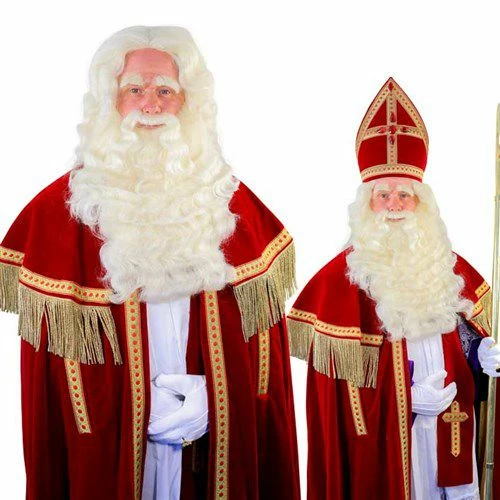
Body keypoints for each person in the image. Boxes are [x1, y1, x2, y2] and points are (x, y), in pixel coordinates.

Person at [0, 26, 300, 500]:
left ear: (189, 103)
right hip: (108, 447)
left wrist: (216, 401)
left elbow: (261, 358)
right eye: (134, 90)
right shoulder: (56, 214)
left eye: (165, 91)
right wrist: (134, 404)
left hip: (207, 439)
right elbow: (51, 380)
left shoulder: (230, 203)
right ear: (110, 101)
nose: (150, 106)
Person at [288, 77, 500, 499]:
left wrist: (481, 356)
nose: (395, 205)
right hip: (389, 445)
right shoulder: (339, 281)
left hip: (453, 427)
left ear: (423, 204)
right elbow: (338, 399)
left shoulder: (448, 267)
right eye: (383, 195)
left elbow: (463, 340)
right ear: (366, 205)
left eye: (405, 195)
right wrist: (404, 399)